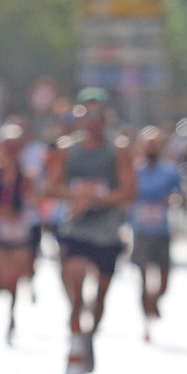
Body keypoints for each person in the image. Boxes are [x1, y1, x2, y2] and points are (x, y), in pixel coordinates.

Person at [45, 89, 134, 355]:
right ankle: (75, 326)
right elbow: (52, 187)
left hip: (107, 228)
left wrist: (98, 198)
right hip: (76, 224)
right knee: (74, 273)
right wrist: (77, 196)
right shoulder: (67, 149)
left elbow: (129, 191)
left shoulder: (118, 150)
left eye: (97, 114)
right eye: (87, 114)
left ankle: (91, 333)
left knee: (102, 291)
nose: (92, 120)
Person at [0, 124, 35, 342]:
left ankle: (11, 316)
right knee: (2, 274)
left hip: (20, 231)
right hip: (1, 229)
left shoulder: (27, 176)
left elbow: (34, 202)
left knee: (16, 277)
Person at [129, 126, 185, 335]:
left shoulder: (170, 172)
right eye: (148, 145)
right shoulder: (134, 171)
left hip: (162, 230)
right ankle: (145, 322)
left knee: (164, 278)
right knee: (143, 278)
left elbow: (181, 196)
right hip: (141, 230)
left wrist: (173, 201)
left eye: (155, 145)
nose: (151, 149)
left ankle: (154, 300)